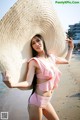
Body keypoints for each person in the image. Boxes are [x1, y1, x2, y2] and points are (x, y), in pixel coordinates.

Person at [2, 34, 74, 120]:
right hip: (36, 102)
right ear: (32, 47)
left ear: (42, 41)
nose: (37, 44)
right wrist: (12, 85)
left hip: (47, 101)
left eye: (38, 40)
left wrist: (71, 48)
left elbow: (66, 60)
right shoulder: (34, 61)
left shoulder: (52, 57)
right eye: (33, 43)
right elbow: (28, 82)